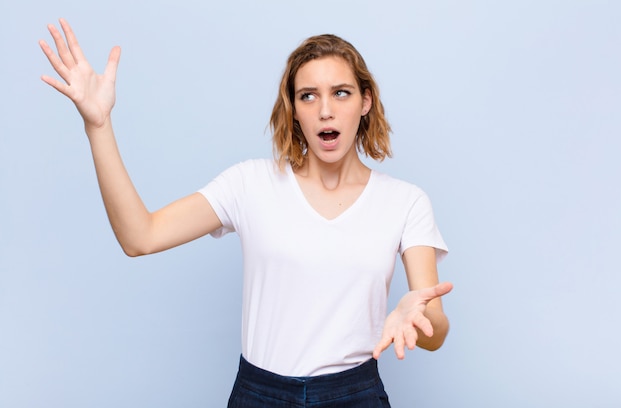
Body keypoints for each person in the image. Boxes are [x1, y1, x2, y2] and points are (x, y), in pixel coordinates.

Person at [40, 18, 453, 408]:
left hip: (355, 392)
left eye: (341, 92)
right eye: (308, 95)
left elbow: (434, 322)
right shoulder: (249, 184)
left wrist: (417, 317)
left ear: (365, 101)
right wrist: (98, 125)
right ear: (294, 109)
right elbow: (140, 236)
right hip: (260, 393)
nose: (325, 110)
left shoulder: (405, 201)